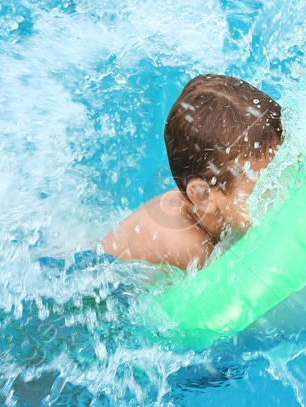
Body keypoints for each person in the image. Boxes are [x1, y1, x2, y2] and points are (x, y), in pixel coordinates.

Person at [101, 74, 282, 270]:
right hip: (106, 273)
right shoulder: (190, 249)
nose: (279, 188)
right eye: (263, 186)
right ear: (203, 196)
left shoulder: (211, 209)